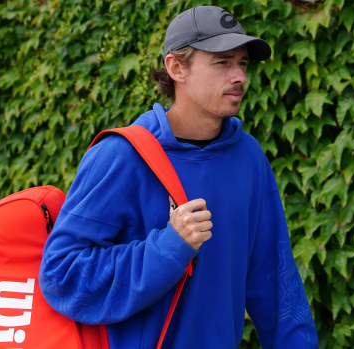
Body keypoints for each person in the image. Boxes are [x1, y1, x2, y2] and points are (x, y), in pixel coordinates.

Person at [39, 5, 318, 348]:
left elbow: (277, 287)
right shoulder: (122, 156)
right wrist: (168, 248)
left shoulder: (248, 159)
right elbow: (61, 274)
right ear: (176, 68)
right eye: (222, 62)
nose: (240, 76)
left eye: (242, 63)